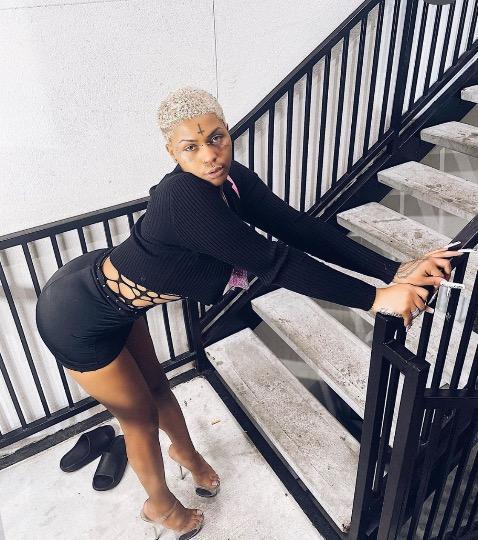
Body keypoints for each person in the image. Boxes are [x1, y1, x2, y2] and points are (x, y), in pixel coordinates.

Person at [35, 87, 461, 539]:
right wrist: (375, 298)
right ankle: (158, 505)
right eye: (191, 147)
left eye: (216, 138)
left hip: (114, 296)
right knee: (139, 416)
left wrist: (393, 269)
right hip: (77, 318)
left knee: (157, 386)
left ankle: (186, 454)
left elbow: (295, 227)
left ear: (228, 131)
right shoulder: (184, 199)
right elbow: (276, 262)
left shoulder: (232, 179)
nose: (210, 155)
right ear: (171, 152)